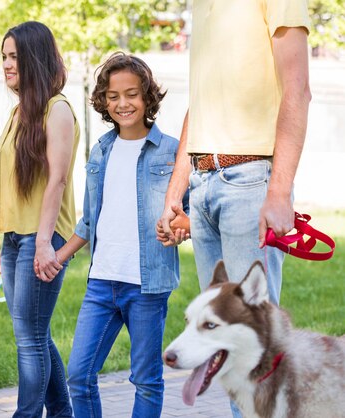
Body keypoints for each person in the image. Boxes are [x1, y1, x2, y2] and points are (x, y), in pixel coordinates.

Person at [157, 2, 312, 417]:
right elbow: (201, 102)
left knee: (258, 346)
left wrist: (278, 192)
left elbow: (297, 88)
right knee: (225, 345)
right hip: (205, 183)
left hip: (249, 181)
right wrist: (178, 183)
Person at [44, 52, 189, 418]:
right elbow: (90, 220)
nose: (123, 103)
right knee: (79, 374)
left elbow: (189, 215)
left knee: (146, 379)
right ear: (104, 101)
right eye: (113, 96)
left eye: (132, 94)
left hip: (147, 285)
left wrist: (178, 231)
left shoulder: (173, 151)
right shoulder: (101, 150)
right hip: (101, 283)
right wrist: (57, 258)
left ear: (148, 97)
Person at [0, 21, 80, 418]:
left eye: (15, 57)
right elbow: (14, 186)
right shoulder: (18, 112)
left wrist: (43, 243)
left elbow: (56, 179)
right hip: (15, 240)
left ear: (35, 59)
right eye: (4, 57)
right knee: (34, 335)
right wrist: (4, 246)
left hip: (43, 239)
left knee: (29, 340)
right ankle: (61, 413)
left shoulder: (57, 110)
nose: (7, 65)